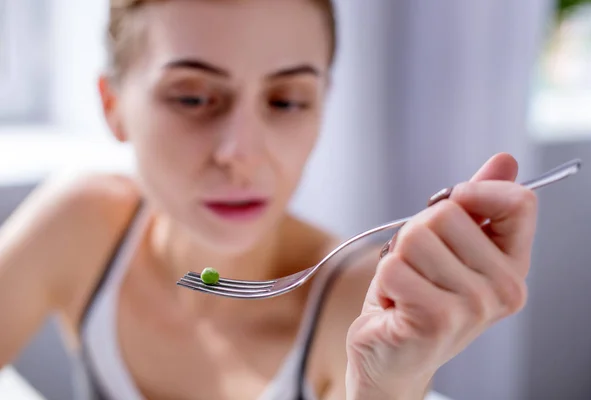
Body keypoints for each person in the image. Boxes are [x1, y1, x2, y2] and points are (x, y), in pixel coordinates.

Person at [0, 0, 538, 399]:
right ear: (113, 105)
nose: (241, 153)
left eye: (286, 101)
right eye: (193, 97)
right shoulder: (81, 227)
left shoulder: (358, 305)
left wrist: (387, 386)